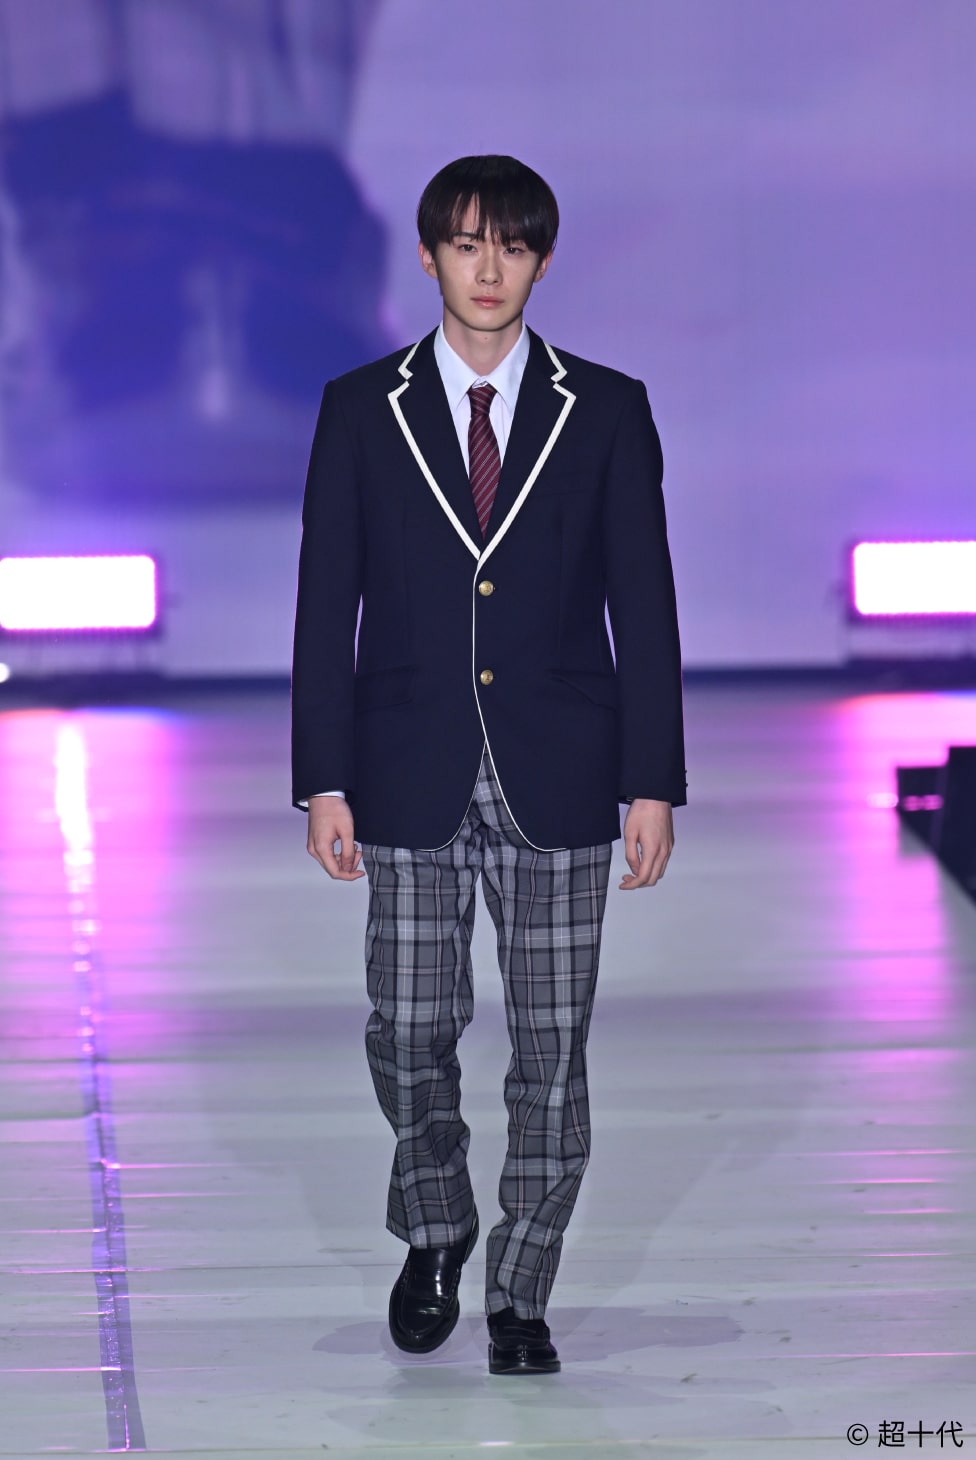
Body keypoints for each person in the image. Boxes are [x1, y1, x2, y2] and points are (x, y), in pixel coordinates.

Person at [292, 154, 685, 1376]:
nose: (488, 266)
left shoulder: (603, 407)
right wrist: (324, 777)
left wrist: (652, 779)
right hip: (405, 764)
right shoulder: (362, 406)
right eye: (465, 243)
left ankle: (520, 1290)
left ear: (541, 260)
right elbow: (326, 604)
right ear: (428, 256)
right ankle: (437, 1222)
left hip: (560, 770)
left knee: (551, 1052)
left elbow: (644, 603)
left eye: (510, 245)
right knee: (408, 1029)